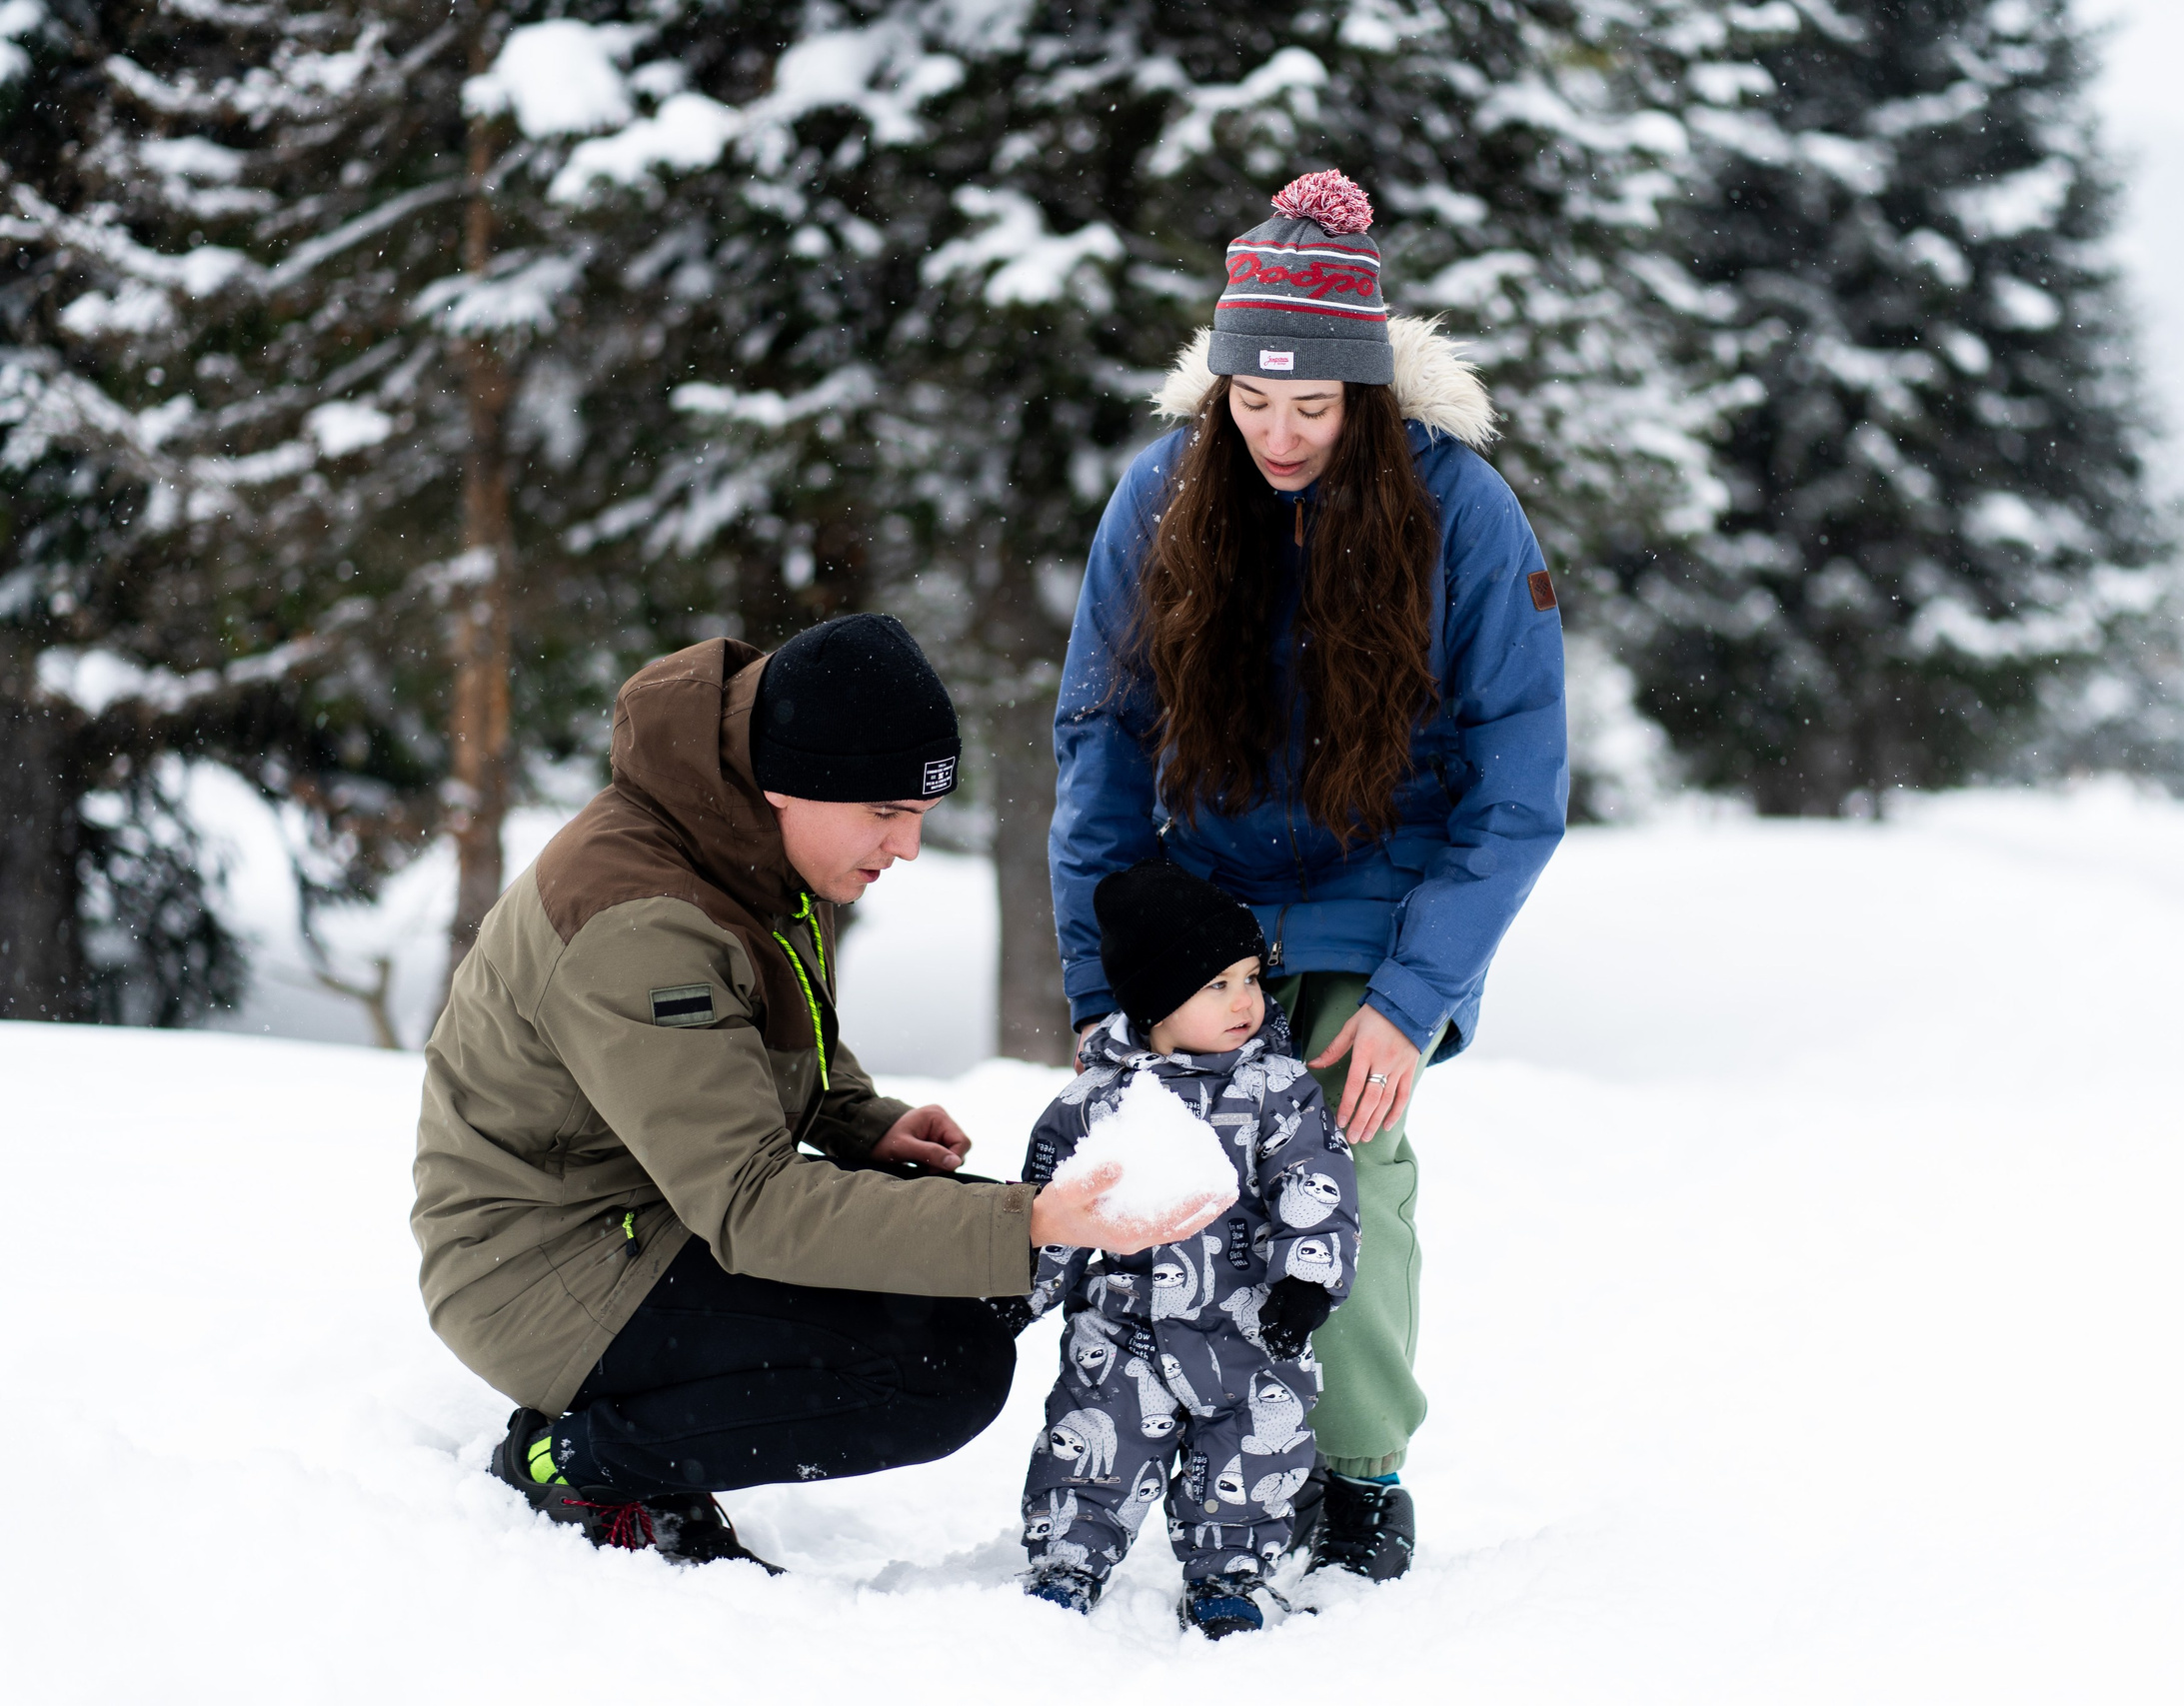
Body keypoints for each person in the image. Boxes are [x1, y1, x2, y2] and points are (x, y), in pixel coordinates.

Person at [414, 614, 1217, 1570]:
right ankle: (578, 1459)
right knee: (938, 1371)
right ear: (790, 785)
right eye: (886, 813)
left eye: (920, 813)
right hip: (541, 1264)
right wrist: (1030, 1219)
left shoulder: (737, 830)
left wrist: (856, 1120)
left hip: (652, 1206)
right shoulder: (641, 924)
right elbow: (751, 1205)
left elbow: (755, 1027)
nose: (909, 846)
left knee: (988, 1280)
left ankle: (640, 1421)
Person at [1050, 171, 1569, 1576]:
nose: (1280, 434)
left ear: (1368, 397)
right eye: (1253, 403)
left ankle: (1354, 1466)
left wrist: (1411, 994)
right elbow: (1100, 743)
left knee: (1342, 1144)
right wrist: (1105, 985)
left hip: (1377, 886)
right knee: (1182, 1153)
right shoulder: (1161, 497)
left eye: (1314, 407)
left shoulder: (1462, 511)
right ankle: (1194, 1440)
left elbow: (1521, 782)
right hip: (1205, 884)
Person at [1014, 858, 1359, 1638]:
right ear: (1157, 1000)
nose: (1247, 1000)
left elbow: (1319, 1188)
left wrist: (1304, 1286)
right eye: (1218, 985)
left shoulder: (1280, 1090)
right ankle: (1066, 1560)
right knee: (1091, 1445)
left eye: (1249, 977)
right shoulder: (1094, 1100)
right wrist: (1020, 1289)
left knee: (1251, 1462)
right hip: (1126, 1328)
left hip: (1249, 1326)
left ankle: (1231, 1575)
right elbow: (1054, 1208)